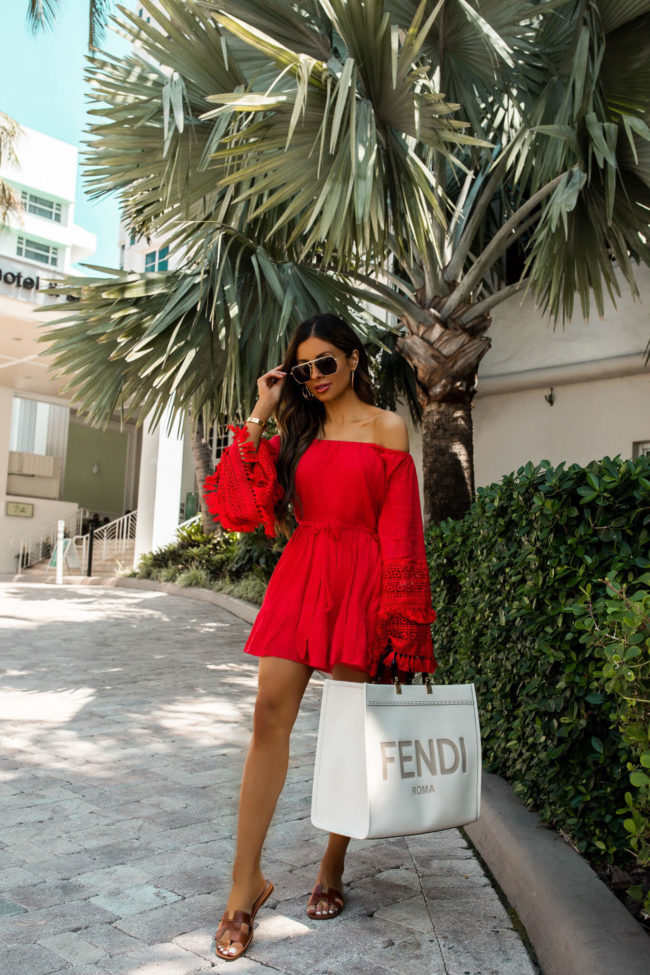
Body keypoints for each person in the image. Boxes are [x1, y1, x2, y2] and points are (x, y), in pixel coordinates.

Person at [203, 313, 436, 961]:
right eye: (302, 367)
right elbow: (239, 506)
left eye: (324, 362)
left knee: (347, 727)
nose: (315, 376)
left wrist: (400, 622)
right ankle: (243, 885)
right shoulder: (294, 430)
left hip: (362, 579)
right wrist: (261, 407)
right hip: (303, 573)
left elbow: (402, 535)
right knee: (267, 714)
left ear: (354, 359)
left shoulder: (388, 427)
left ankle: (332, 864)